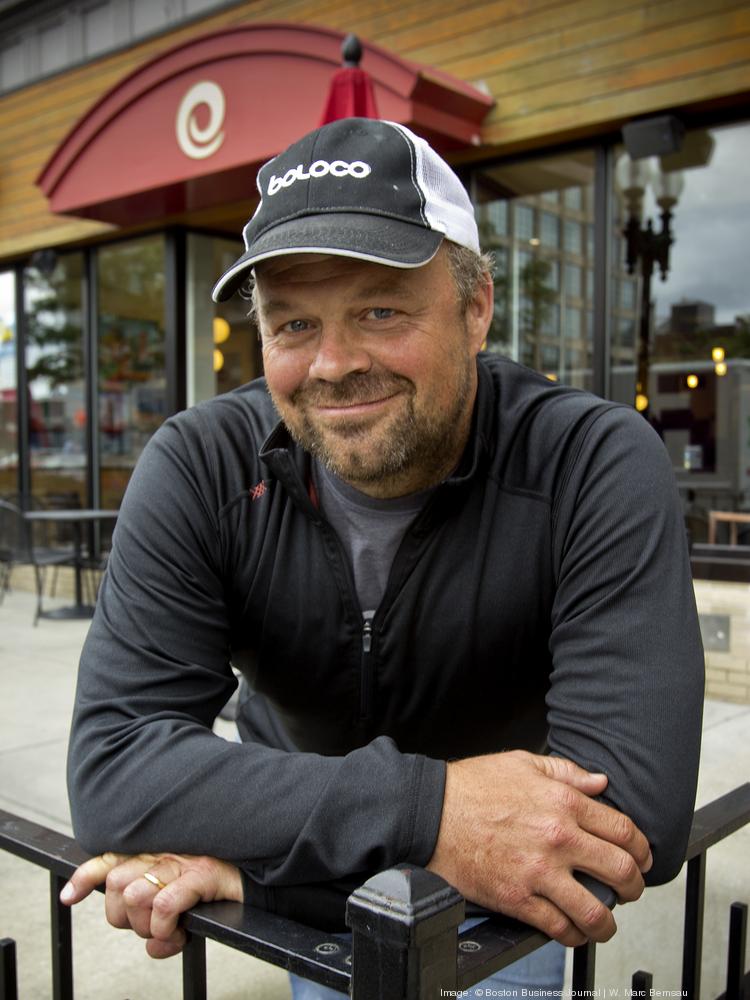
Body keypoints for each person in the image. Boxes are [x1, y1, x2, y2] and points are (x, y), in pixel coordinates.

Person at [60, 117, 704, 997]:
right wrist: (430, 812)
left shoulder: (590, 461)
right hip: (321, 897)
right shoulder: (199, 464)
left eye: (379, 310)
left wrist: (266, 869)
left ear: (476, 308)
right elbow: (114, 771)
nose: (331, 363)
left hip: (499, 912)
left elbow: (629, 821)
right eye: (291, 323)